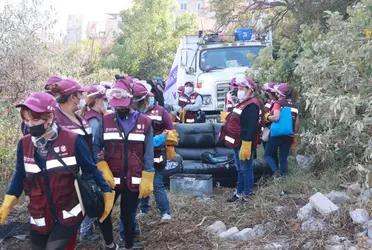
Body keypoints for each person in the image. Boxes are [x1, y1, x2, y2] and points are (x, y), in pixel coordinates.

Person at [0, 92, 114, 249]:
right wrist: (8, 202)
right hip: (39, 213)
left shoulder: (72, 140)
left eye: (35, 119)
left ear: (49, 118)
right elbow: (20, 175)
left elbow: (90, 169)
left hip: (68, 212)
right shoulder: (24, 144)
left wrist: (106, 191)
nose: (30, 125)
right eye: (26, 120)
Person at [98, 79, 155, 250]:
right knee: (103, 212)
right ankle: (110, 244)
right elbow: (95, 146)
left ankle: (129, 245)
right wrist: (100, 164)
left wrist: (148, 174)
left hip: (134, 178)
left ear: (131, 100)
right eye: (117, 106)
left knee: (128, 216)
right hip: (110, 179)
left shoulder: (145, 122)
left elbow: (149, 152)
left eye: (123, 105)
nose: (120, 108)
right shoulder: (106, 121)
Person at [131, 82, 176, 221]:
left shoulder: (161, 111)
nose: (148, 100)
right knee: (142, 182)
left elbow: (172, 131)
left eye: (150, 97)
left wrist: (160, 139)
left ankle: (165, 212)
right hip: (139, 154)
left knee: (157, 184)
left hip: (157, 153)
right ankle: (144, 209)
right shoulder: (136, 112)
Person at [79, 84, 115, 242]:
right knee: (93, 198)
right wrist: (98, 157)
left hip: (90, 163)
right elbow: (93, 145)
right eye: (104, 100)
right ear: (97, 101)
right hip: (91, 165)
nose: (106, 103)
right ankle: (86, 231)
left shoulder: (91, 115)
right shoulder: (94, 120)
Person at [220, 77, 261, 202]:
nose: (239, 91)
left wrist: (246, 144)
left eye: (241, 88)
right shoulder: (243, 103)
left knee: (246, 168)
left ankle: (247, 195)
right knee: (240, 169)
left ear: (250, 90)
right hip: (237, 142)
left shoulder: (252, 105)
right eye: (238, 88)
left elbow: (250, 126)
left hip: (244, 143)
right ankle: (239, 192)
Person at [264, 83, 300, 176]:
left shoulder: (278, 103)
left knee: (268, 155)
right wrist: (294, 135)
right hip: (289, 135)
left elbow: (276, 118)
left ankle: (276, 171)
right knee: (283, 158)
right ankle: (284, 178)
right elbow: (296, 124)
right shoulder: (295, 106)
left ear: (279, 94)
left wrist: (267, 117)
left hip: (276, 134)